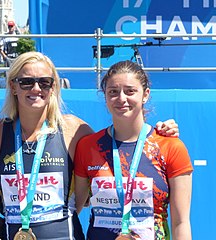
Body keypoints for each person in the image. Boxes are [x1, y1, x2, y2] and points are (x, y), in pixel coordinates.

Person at [0, 52, 179, 239]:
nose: (36, 89)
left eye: (44, 82)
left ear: (53, 87)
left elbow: (120, 155)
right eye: (27, 81)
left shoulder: (73, 128)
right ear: (13, 86)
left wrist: (159, 131)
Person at [74, 60, 193, 240]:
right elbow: (72, 208)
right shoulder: (88, 146)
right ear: (105, 96)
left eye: (130, 91)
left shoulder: (170, 147)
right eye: (113, 92)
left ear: (145, 95)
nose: (121, 98)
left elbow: (181, 223)